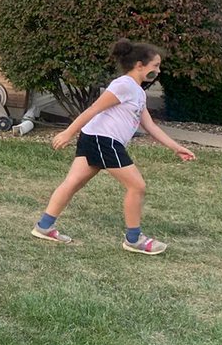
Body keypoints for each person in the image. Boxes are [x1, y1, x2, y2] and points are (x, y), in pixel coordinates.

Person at [31, 38, 195, 254]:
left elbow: (150, 126)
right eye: (155, 65)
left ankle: (44, 226)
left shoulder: (138, 92)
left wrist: (176, 147)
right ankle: (134, 239)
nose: (159, 70)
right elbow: (93, 109)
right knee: (137, 186)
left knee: (73, 182)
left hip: (95, 138)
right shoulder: (123, 85)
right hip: (102, 140)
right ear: (139, 65)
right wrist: (68, 132)